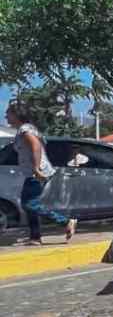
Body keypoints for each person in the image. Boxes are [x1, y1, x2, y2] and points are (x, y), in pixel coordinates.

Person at [6, 100, 77, 245]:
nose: (6, 117)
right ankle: (35, 237)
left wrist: (37, 168)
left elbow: (36, 146)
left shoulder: (25, 129)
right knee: (30, 204)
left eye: (8, 114)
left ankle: (66, 222)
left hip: (36, 173)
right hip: (34, 172)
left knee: (30, 204)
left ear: (16, 115)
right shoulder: (28, 129)